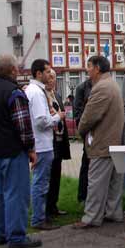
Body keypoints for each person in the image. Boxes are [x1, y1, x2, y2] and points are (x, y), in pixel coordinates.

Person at [0, 54, 41, 248]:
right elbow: (23, 126)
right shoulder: (15, 93)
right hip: (14, 151)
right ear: (13, 70)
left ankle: (0, 234)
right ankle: (16, 237)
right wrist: (31, 149)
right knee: (17, 194)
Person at [73, 56, 125, 228]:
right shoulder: (112, 84)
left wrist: (80, 129)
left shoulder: (101, 87)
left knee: (96, 182)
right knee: (113, 182)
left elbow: (89, 117)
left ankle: (91, 218)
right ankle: (113, 212)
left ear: (97, 68)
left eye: (88, 66)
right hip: (115, 141)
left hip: (103, 141)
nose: (87, 70)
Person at [26, 59, 65, 230]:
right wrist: (58, 117)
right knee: (40, 183)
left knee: (42, 182)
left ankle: (41, 217)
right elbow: (41, 121)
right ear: (38, 73)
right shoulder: (35, 92)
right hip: (41, 144)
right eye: (47, 71)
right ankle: (38, 219)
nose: (50, 74)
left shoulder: (37, 90)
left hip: (43, 143)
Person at [45, 69, 71, 220]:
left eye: (54, 77)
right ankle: (46, 209)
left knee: (56, 176)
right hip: (49, 141)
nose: (51, 80)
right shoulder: (43, 96)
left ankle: (53, 205)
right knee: (47, 177)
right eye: (49, 77)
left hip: (60, 142)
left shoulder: (58, 95)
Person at [74, 74, 92, 202]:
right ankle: (83, 196)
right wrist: (84, 130)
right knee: (86, 163)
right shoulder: (82, 88)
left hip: (102, 133)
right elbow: (78, 112)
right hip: (88, 132)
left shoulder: (104, 85)